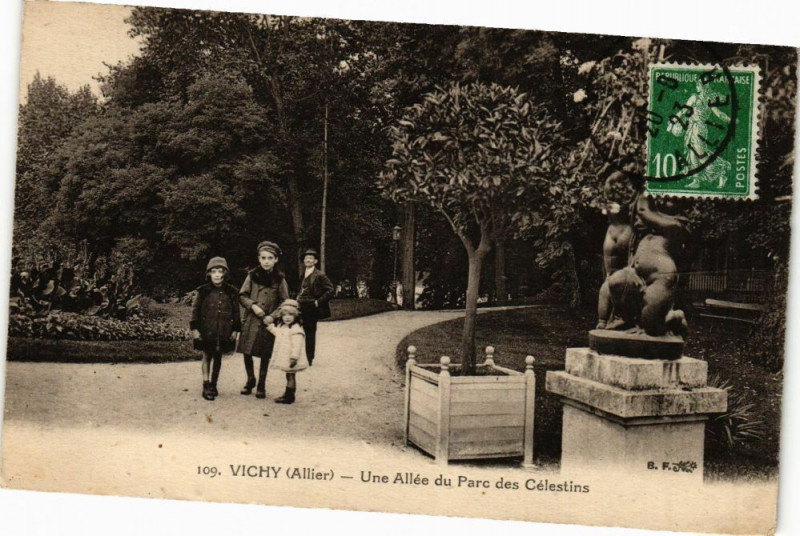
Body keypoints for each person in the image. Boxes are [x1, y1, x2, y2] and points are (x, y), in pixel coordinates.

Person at [237, 241, 289, 399]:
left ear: (276, 260)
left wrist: (272, 316)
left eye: (270, 258)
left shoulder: (280, 279)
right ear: (259, 259)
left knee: (265, 354)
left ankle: (261, 385)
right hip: (252, 319)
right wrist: (253, 306)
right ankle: (250, 379)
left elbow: (285, 302)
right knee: (247, 351)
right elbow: (242, 295)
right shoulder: (252, 276)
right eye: (263, 258)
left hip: (268, 322)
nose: (266, 261)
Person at [190, 257, 241, 401]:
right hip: (206, 329)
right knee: (207, 355)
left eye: (220, 271)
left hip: (224, 330)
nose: (217, 275)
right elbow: (195, 310)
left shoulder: (231, 291)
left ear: (225, 273)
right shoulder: (203, 291)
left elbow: (236, 312)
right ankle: (206, 384)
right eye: (214, 271)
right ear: (209, 274)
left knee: (218, 356)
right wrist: (195, 329)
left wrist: (235, 330)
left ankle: (214, 384)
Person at [296, 248, 334, 366]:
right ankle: (295, 357)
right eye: (306, 258)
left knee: (310, 333)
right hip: (299, 306)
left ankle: (309, 358)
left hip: (311, 307)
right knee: (295, 331)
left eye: (311, 258)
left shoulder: (320, 275)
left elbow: (330, 290)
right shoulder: (302, 274)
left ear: (315, 261)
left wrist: (318, 302)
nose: (308, 260)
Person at [267, 299, 309, 404]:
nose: (287, 317)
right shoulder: (283, 327)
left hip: (291, 358)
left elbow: (297, 345)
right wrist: (271, 328)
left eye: (290, 315)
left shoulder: (296, 329)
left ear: (296, 316)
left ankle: (289, 396)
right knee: (289, 375)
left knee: (291, 376)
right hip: (287, 357)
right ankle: (287, 394)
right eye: (284, 315)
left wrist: (294, 357)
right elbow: (278, 333)